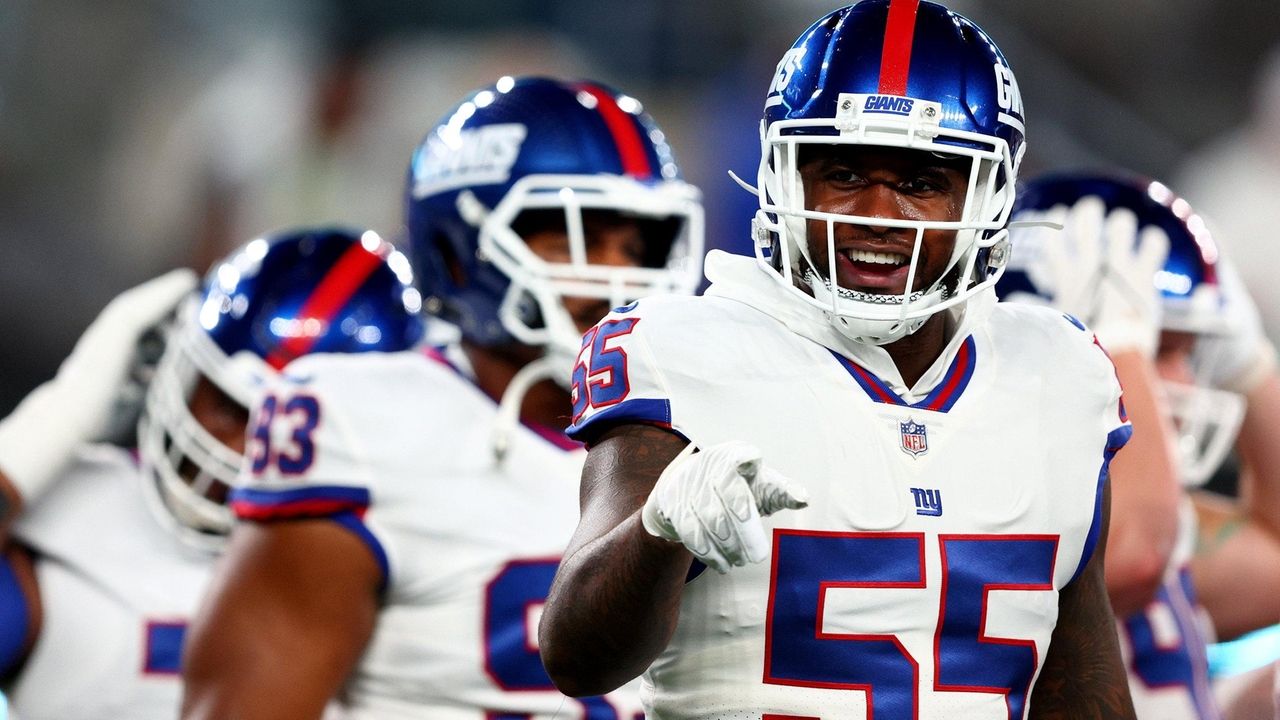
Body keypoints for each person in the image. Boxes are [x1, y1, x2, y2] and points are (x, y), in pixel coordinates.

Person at [539, 2, 1137, 718]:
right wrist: (657, 532)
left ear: (988, 196)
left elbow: (1081, 680)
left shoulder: (1057, 372)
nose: (878, 213)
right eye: (845, 173)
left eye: (920, 183)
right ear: (784, 178)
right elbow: (575, 657)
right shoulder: (679, 349)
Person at [180, 76, 704, 719]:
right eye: (578, 240)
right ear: (460, 253)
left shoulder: (706, 422)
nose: (619, 279)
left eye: (638, 246)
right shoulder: (362, 423)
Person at [0, 227, 424, 719]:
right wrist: (41, 434)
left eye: (292, 434)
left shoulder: (411, 571)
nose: (247, 454)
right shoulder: (73, 523)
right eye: (230, 407)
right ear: (179, 369)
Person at [1000, 173, 1225, 719]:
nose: (1186, 384)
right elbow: (1135, 557)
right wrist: (1115, 349)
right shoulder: (1013, 491)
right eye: (1160, 350)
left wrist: (1254, 364)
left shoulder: (1163, 512)